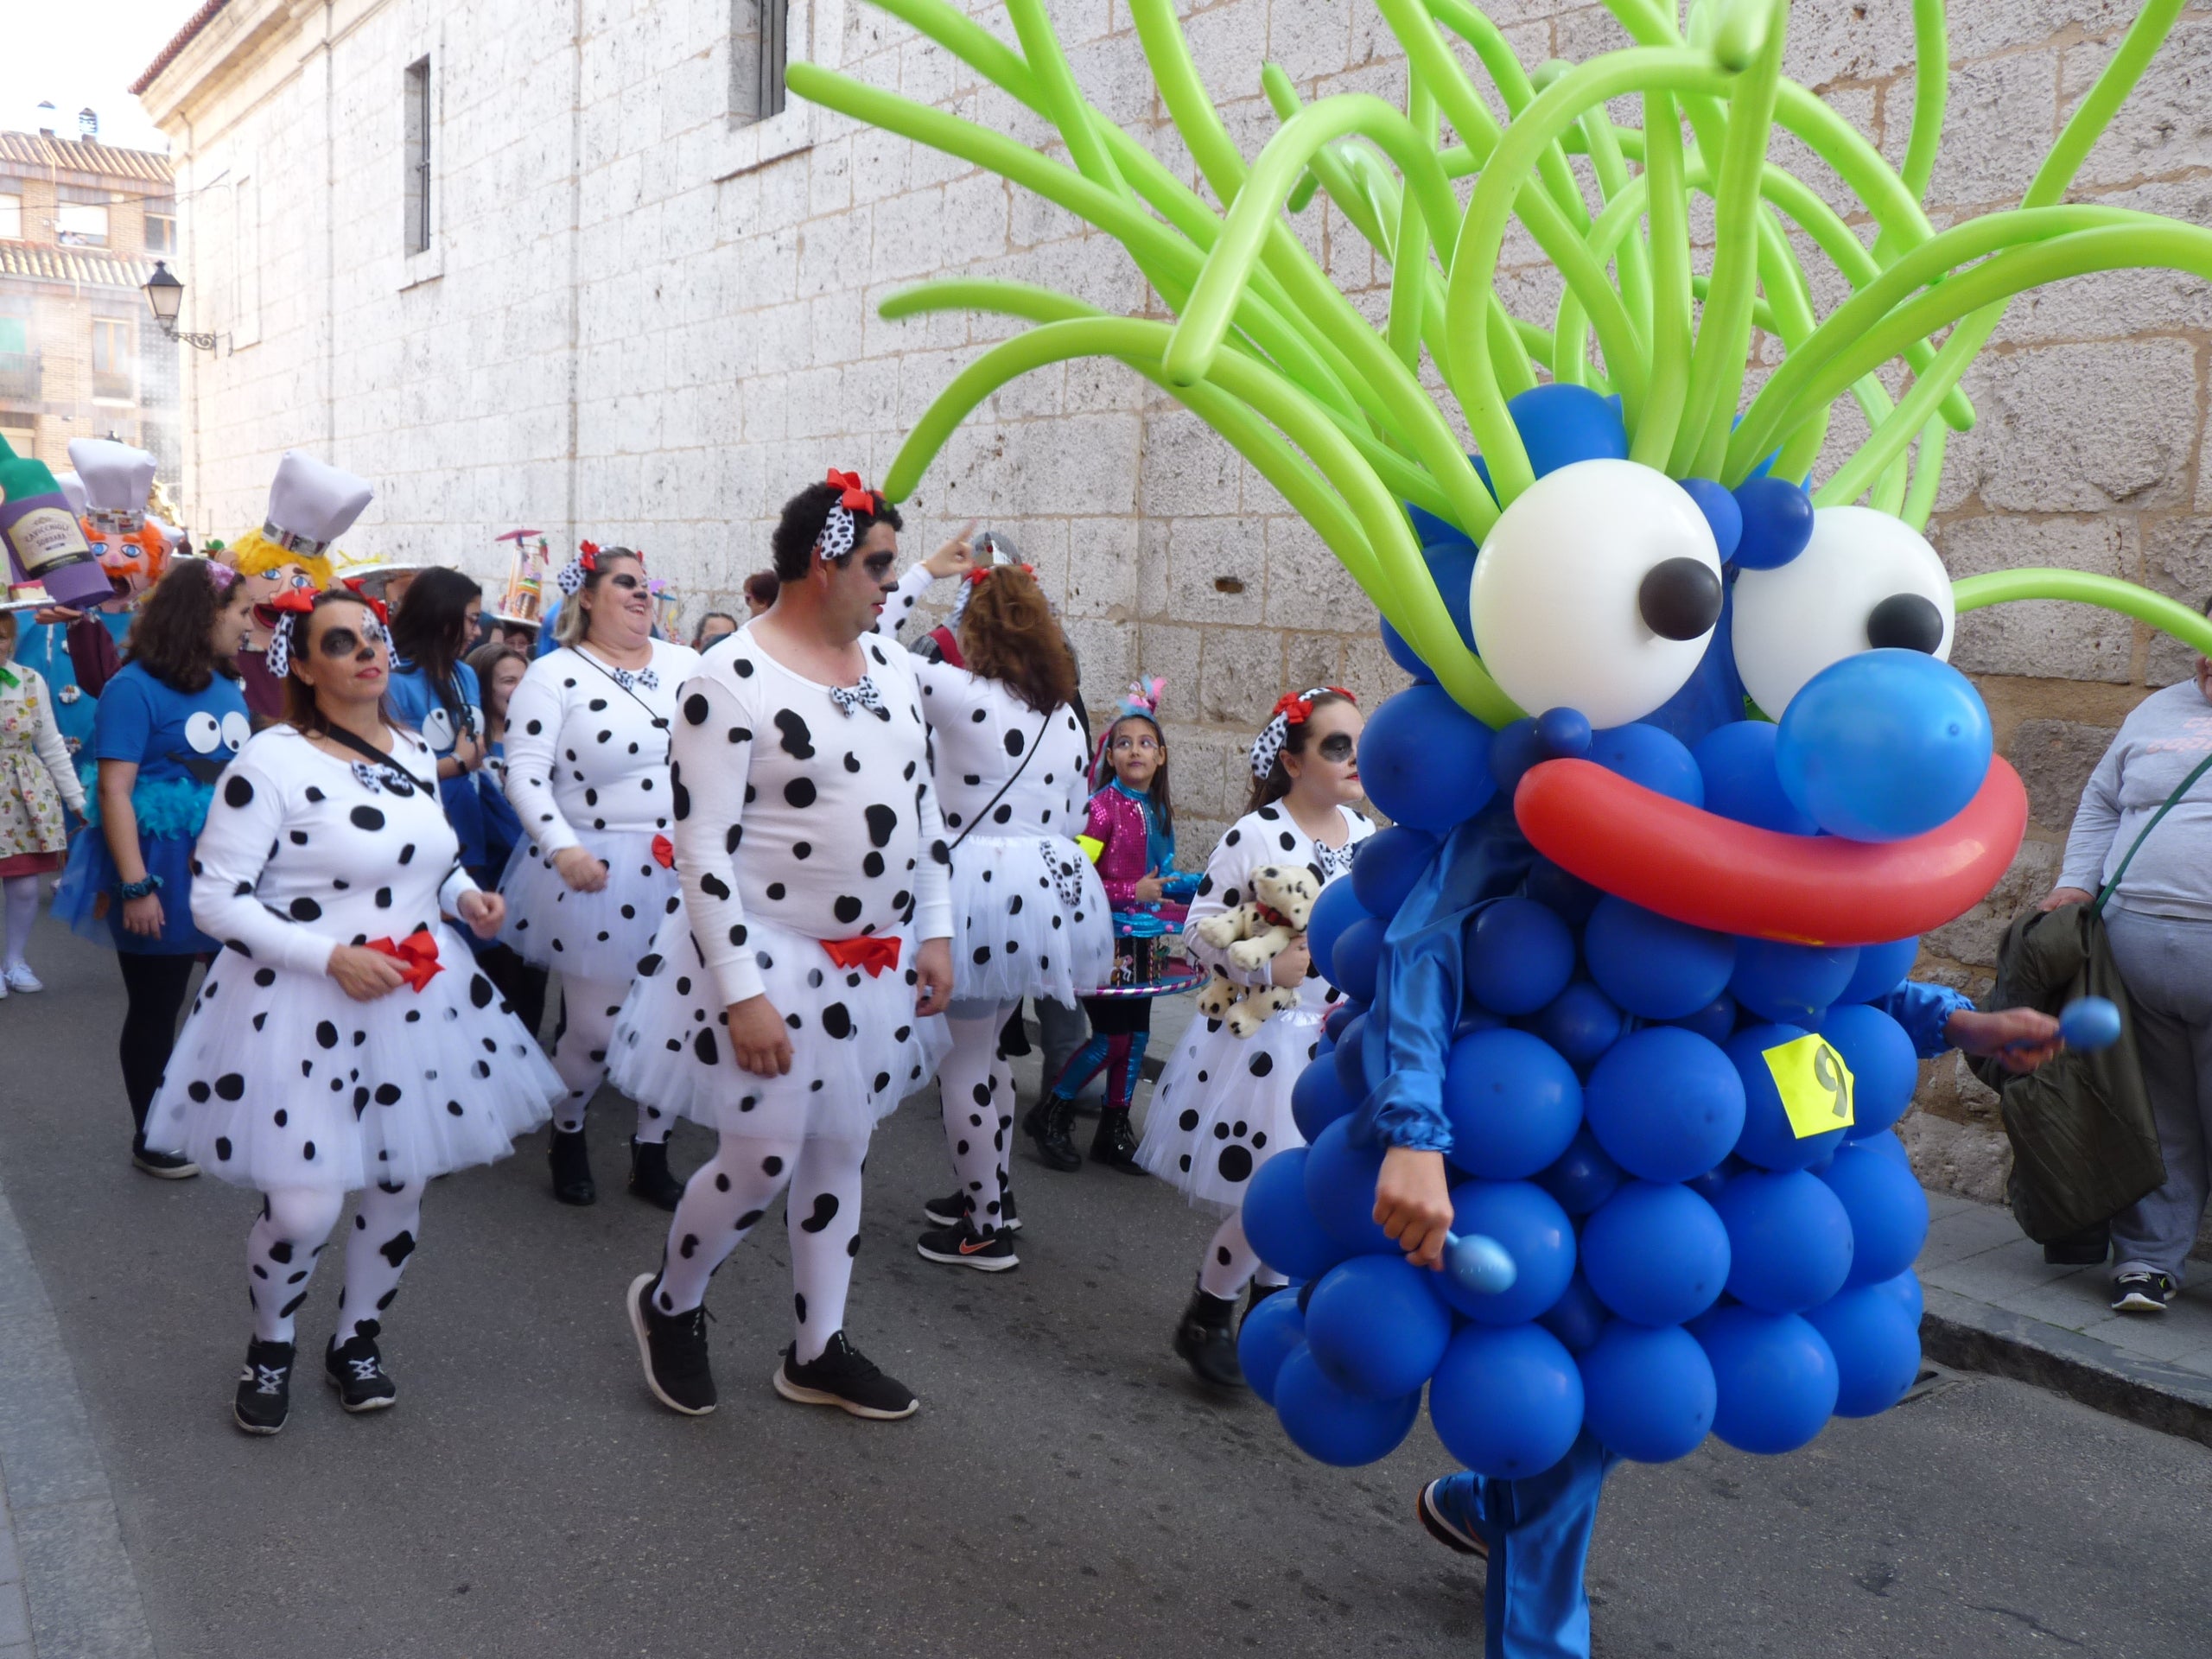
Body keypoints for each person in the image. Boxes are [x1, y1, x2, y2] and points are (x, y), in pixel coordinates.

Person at [143, 588, 561, 1434]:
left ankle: (357, 1340)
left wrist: (467, 896)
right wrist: (328, 955)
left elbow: (425, 860)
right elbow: (216, 902)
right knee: (303, 1209)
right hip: (298, 1006)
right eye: (344, 642)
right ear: (301, 663)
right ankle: (272, 1342)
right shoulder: (270, 763)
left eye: (374, 637)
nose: (370, 652)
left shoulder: (409, 748)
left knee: (400, 1182)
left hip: (415, 999)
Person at [613, 471, 954, 1421]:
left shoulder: (889, 668)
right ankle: (672, 1303)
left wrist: (934, 927)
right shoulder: (727, 679)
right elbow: (699, 848)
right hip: (764, 959)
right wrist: (741, 989)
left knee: (840, 1151)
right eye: (880, 564)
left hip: (869, 966)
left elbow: (924, 813)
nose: (893, 583)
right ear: (824, 561)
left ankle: (817, 1349)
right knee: (761, 1157)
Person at [1143, 688, 1374, 1383]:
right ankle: (1207, 1312)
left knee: (1304, 1198)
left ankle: (1265, 1316)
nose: (1355, 759)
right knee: (1274, 1195)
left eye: (1360, 743)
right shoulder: (1256, 833)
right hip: (1266, 1044)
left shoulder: (1369, 838)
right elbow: (1194, 929)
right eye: (1336, 745)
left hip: (1338, 1045)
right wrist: (1262, 963)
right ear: (1293, 759)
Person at [908, 563, 1110, 1269]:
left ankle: (984, 1228)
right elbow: (1074, 816)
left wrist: (916, 574)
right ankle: (988, 1192)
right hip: (1042, 895)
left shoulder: (958, 693)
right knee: (989, 1052)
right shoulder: (1066, 715)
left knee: (964, 1062)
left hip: (972, 894)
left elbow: (865, 646)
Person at [498, 543, 702, 1208]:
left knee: (679, 1021)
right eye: (626, 584)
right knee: (596, 1029)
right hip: (598, 870)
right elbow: (523, 774)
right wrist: (562, 849)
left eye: (648, 585)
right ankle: (569, 1127)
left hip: (689, 868)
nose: (643, 595)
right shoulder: (553, 675)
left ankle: (651, 1148)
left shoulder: (689, 665)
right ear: (587, 596)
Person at [50, 560, 255, 1174]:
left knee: (234, 998)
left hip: (229, 866)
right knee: (157, 1003)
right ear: (205, 615)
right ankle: (153, 1133)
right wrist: (137, 886)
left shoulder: (226, 683)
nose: (250, 625)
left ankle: (211, 1115)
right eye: (242, 612)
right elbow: (114, 791)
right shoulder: (132, 687)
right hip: (159, 864)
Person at [2044, 614, 2212, 1313]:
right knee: (2157, 1115)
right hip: (2134, 954)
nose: (2206, 669)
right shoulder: (2159, 707)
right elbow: (2102, 800)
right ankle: (2147, 1262)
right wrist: (2078, 880)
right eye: (2205, 651)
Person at [1023, 679, 1198, 1173]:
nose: (1135, 750)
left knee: (1138, 1039)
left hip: (1146, 941)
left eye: (1145, 742)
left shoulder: (1159, 811)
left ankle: (1113, 1130)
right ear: (1111, 756)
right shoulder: (1100, 810)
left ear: (1160, 756)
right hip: (1105, 939)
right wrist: (1130, 893)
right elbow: (1076, 880)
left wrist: (1207, 886)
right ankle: (1050, 1112)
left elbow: (1160, 880)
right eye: (1124, 742)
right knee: (1111, 1039)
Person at [214, 452, 371, 722]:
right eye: (272, 574)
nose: (283, 593)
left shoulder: (313, 661)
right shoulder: (219, 652)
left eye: (300, 581)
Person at [0, 606, 87, 995]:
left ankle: (14, 961)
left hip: (22, 797)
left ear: (11, 642)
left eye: (1, 637)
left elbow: (51, 745)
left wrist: (78, 801)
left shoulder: (29, 681)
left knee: (23, 888)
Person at [464, 640, 548, 1035]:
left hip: (540, 892)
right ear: (484, 687)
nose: (521, 688)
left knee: (533, 996)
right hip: (490, 891)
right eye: (509, 680)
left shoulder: (547, 743)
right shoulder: (469, 749)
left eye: (526, 679)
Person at [386, 568, 490, 882]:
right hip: (424, 830)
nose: (478, 632)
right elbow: (386, 771)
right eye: (472, 620)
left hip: (473, 815)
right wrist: (456, 762)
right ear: (443, 619)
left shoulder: (466, 674)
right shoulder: (393, 681)